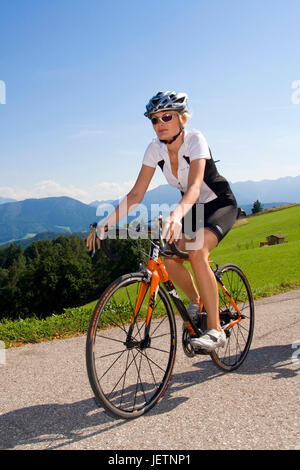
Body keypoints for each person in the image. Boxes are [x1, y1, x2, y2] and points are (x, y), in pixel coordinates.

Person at [88, 91, 237, 351]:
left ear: (181, 118)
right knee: (170, 258)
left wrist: (176, 215)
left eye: (167, 117)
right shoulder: (154, 149)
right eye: (154, 120)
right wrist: (106, 223)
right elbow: (136, 194)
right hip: (191, 209)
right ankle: (196, 304)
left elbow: (193, 187)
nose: (160, 124)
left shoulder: (195, 140)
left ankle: (215, 331)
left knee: (198, 250)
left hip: (218, 204)